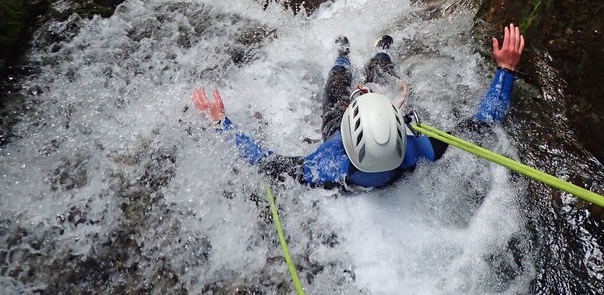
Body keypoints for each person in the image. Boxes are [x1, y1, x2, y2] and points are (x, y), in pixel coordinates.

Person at [193, 24, 526, 190]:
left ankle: (344, 55)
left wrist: (223, 124)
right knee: (378, 74)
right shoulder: (421, 149)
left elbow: (264, 162)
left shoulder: (326, 166)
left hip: (349, 134)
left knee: (336, 85)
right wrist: (506, 70)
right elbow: (484, 122)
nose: (363, 93)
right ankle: (375, 51)